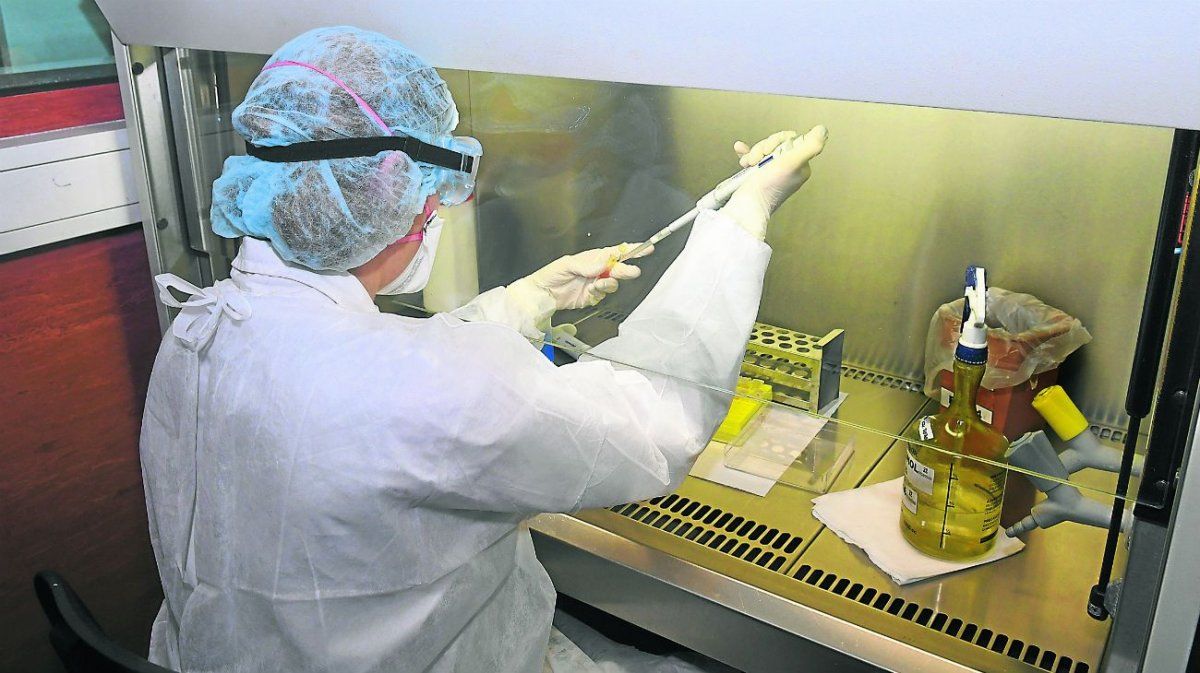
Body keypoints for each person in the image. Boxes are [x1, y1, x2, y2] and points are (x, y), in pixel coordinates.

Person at [140, 25, 827, 673]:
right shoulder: (420, 389)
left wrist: (530, 298)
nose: (434, 210)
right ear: (390, 199)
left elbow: (393, 375)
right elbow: (655, 421)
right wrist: (746, 215)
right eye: (430, 192)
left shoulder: (199, 331)